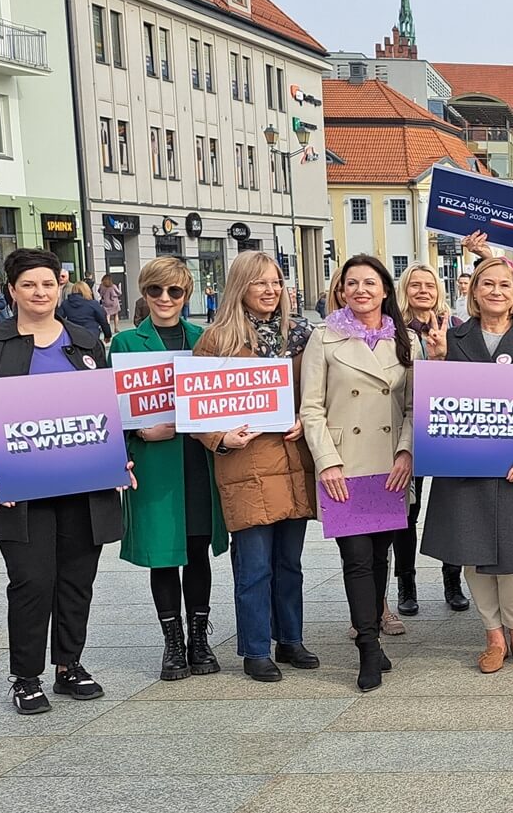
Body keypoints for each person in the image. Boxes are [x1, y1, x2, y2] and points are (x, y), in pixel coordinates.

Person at [0, 249, 129, 714]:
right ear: (12, 291)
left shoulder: (85, 341)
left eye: (48, 284)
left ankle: (69, 665)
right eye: (29, 285)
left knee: (77, 577)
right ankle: (26, 676)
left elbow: (102, 410)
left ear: (60, 287)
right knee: (32, 580)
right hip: (19, 486)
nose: (40, 293)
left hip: (81, 482)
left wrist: (118, 458)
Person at [421, 257, 513, 673]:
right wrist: (437, 361)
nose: (496, 291)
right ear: (474, 292)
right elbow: (438, 400)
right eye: (488, 284)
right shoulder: (451, 338)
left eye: (505, 284)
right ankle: (494, 637)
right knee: (475, 556)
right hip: (467, 470)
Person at [193, 251, 318, 683]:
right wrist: (220, 440)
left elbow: (317, 394)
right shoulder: (217, 341)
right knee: (254, 566)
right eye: (260, 282)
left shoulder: (300, 336)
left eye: (277, 282)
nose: (271, 290)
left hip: (292, 460)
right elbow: (197, 408)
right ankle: (254, 647)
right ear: (239, 288)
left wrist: (308, 418)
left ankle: (291, 639)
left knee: (290, 562)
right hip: (246, 464)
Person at [301, 254, 417, 692]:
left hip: (389, 463)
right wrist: (326, 460)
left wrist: (407, 452)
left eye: (370, 283)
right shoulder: (324, 337)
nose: (361, 290)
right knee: (355, 559)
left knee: (381, 554)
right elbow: (311, 407)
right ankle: (367, 646)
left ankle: (375, 637)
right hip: (344, 463)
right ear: (341, 291)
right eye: (352, 284)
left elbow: (411, 407)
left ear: (385, 290)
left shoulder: (405, 340)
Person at [111, 258, 228, 681]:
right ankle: (173, 643)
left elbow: (223, 393)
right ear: (144, 294)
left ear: (187, 294)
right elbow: (110, 407)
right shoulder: (126, 343)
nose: (164, 299)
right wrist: (140, 433)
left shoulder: (204, 337)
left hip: (197, 459)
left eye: (174, 292)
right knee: (163, 554)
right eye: (155, 291)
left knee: (196, 549)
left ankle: (199, 638)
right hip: (156, 463)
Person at [395, 264, 466, 621]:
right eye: (415, 285)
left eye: (429, 285)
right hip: (408, 426)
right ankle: (406, 582)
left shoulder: (454, 328)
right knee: (407, 509)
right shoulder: (393, 330)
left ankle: (452, 580)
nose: (423, 290)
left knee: (452, 503)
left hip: (448, 426)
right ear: (405, 290)